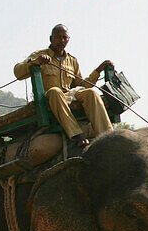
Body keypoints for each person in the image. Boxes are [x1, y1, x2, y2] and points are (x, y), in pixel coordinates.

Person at [13, 24, 114, 154]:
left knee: (90, 92)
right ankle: (76, 135)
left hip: (69, 95)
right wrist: (36, 62)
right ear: (51, 38)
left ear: (68, 39)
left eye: (64, 38)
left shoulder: (72, 61)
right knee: (56, 91)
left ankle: (107, 136)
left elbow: (82, 85)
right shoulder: (39, 54)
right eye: (58, 37)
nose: (61, 41)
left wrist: (98, 70)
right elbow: (18, 72)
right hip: (49, 97)